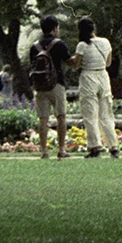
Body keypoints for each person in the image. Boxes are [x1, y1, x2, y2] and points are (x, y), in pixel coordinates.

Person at [69, 16, 119, 158]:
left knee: (90, 114)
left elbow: (76, 65)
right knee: (106, 113)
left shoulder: (82, 45)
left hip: (88, 77)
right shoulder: (105, 42)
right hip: (103, 76)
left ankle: (95, 147)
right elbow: (108, 63)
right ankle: (113, 146)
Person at [28, 15, 71, 159]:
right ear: (55, 28)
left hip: (40, 86)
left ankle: (44, 151)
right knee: (61, 116)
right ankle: (61, 149)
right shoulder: (59, 44)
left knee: (43, 119)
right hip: (56, 84)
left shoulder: (35, 46)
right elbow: (68, 61)